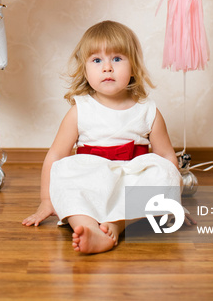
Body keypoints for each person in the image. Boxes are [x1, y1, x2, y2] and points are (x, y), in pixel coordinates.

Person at [22, 20, 190, 254]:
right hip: (92, 177)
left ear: (133, 67)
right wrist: (46, 201)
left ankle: (117, 225)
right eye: (97, 60)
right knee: (65, 175)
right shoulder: (79, 110)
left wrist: (172, 196)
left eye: (117, 59)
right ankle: (86, 226)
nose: (107, 68)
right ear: (85, 69)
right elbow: (56, 155)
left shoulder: (148, 110)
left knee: (165, 173)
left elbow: (166, 156)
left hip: (131, 178)